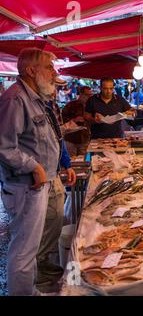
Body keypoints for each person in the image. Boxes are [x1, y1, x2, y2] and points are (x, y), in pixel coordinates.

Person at [0, 48, 61, 295]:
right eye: (49, 67)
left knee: (30, 247)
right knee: (24, 250)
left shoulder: (33, 97)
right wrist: (34, 166)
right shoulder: (15, 99)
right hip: (25, 186)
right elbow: (4, 146)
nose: (54, 72)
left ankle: (29, 291)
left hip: (37, 184)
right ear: (31, 70)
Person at [62, 86, 93, 156]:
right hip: (70, 138)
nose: (89, 97)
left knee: (83, 161)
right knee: (72, 161)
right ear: (81, 94)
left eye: (90, 95)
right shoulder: (70, 105)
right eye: (87, 95)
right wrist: (74, 120)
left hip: (84, 138)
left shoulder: (90, 106)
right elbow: (61, 120)